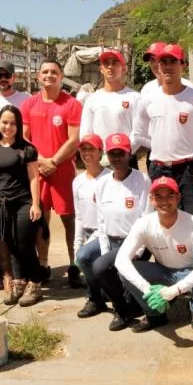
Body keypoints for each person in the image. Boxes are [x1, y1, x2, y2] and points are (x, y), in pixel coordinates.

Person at [132, 44, 193, 257]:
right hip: (159, 169)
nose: (167, 66)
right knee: (161, 224)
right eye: (163, 62)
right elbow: (139, 134)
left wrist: (189, 147)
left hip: (187, 170)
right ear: (157, 65)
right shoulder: (147, 98)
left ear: (182, 65)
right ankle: (167, 274)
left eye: (172, 61)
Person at [116, 176, 193, 332]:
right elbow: (121, 259)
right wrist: (146, 289)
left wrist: (175, 290)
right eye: (158, 196)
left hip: (189, 271)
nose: (164, 201)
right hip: (163, 271)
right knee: (125, 271)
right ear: (151, 200)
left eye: (170, 195)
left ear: (178, 197)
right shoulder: (144, 223)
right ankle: (155, 314)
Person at [21, 60, 84, 288]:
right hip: (37, 171)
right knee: (40, 220)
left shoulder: (72, 104)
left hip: (63, 170)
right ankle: (44, 264)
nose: (49, 75)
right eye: (45, 72)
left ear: (61, 76)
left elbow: (74, 139)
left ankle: (75, 264)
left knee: (70, 220)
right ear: (38, 76)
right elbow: (24, 138)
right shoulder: (29, 104)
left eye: (54, 72)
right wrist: (40, 161)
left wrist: (54, 161)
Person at [88, 133, 153, 331]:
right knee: (102, 266)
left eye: (121, 153)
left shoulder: (142, 180)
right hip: (112, 241)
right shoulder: (102, 184)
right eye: (112, 154)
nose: (117, 158)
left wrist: (138, 249)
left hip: (135, 243)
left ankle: (124, 310)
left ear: (129, 154)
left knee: (100, 267)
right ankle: (123, 310)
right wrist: (105, 248)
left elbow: (147, 216)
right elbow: (101, 220)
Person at [0, 104, 45, 307]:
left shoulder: (27, 149)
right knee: (9, 243)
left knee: (24, 244)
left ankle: (35, 282)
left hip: (24, 203)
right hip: (2, 205)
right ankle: (18, 281)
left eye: (12, 123)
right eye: (4, 122)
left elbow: (34, 178)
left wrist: (35, 205)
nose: (8, 127)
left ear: (18, 125)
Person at [79, 49, 140, 169]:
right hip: (100, 161)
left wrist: (122, 152)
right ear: (101, 69)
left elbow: (138, 132)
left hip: (126, 159)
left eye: (115, 63)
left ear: (124, 68)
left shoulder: (135, 97)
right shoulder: (92, 99)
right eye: (106, 63)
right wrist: (97, 155)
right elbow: (85, 133)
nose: (110, 67)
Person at [72, 134, 111, 317]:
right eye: (83, 149)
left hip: (105, 234)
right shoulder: (78, 182)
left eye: (91, 149)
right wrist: (77, 243)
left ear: (100, 151)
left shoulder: (109, 178)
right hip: (88, 233)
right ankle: (97, 294)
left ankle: (95, 298)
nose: (87, 153)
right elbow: (79, 215)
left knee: (85, 258)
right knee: (82, 257)